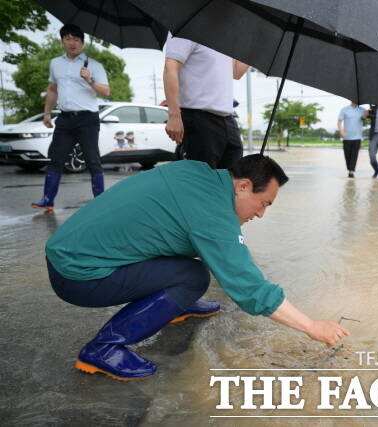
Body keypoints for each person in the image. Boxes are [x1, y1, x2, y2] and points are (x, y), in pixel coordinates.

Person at [45, 154, 350, 381]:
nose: (261, 214)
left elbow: (188, 229)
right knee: (190, 278)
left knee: (191, 268)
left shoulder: (196, 172)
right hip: (78, 276)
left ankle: (172, 307)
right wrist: (311, 326)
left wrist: (231, 229)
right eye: (264, 203)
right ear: (243, 186)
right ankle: (104, 348)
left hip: (68, 251)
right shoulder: (213, 216)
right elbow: (249, 288)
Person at [32, 24, 110, 212]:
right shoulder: (55, 63)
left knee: (92, 160)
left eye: (76, 39)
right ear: (63, 41)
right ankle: (47, 200)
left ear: (82, 43)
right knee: (56, 159)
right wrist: (47, 113)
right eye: (68, 38)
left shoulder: (94, 65)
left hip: (88, 119)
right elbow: (52, 89)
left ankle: (101, 201)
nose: (72, 43)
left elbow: (106, 92)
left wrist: (89, 80)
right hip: (65, 119)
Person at [163, 36, 249, 168]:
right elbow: (170, 68)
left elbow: (236, 72)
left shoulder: (226, 35)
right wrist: (174, 115)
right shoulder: (188, 30)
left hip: (227, 118)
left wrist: (258, 43)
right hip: (198, 117)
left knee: (232, 179)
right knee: (202, 180)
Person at [337, 102, 368, 178]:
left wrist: (367, 113)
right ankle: (349, 168)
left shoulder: (362, 110)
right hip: (346, 137)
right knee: (347, 155)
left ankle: (351, 171)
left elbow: (364, 118)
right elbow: (339, 121)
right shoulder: (344, 110)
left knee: (354, 155)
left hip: (357, 137)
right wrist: (341, 131)